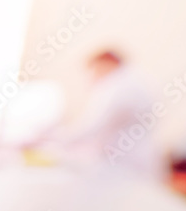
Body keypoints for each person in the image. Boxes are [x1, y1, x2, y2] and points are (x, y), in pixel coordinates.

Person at [54, 50, 163, 180]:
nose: (93, 75)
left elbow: (91, 126)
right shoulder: (134, 80)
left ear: (106, 63)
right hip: (131, 157)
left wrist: (55, 140)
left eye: (94, 69)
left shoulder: (118, 86)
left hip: (126, 161)